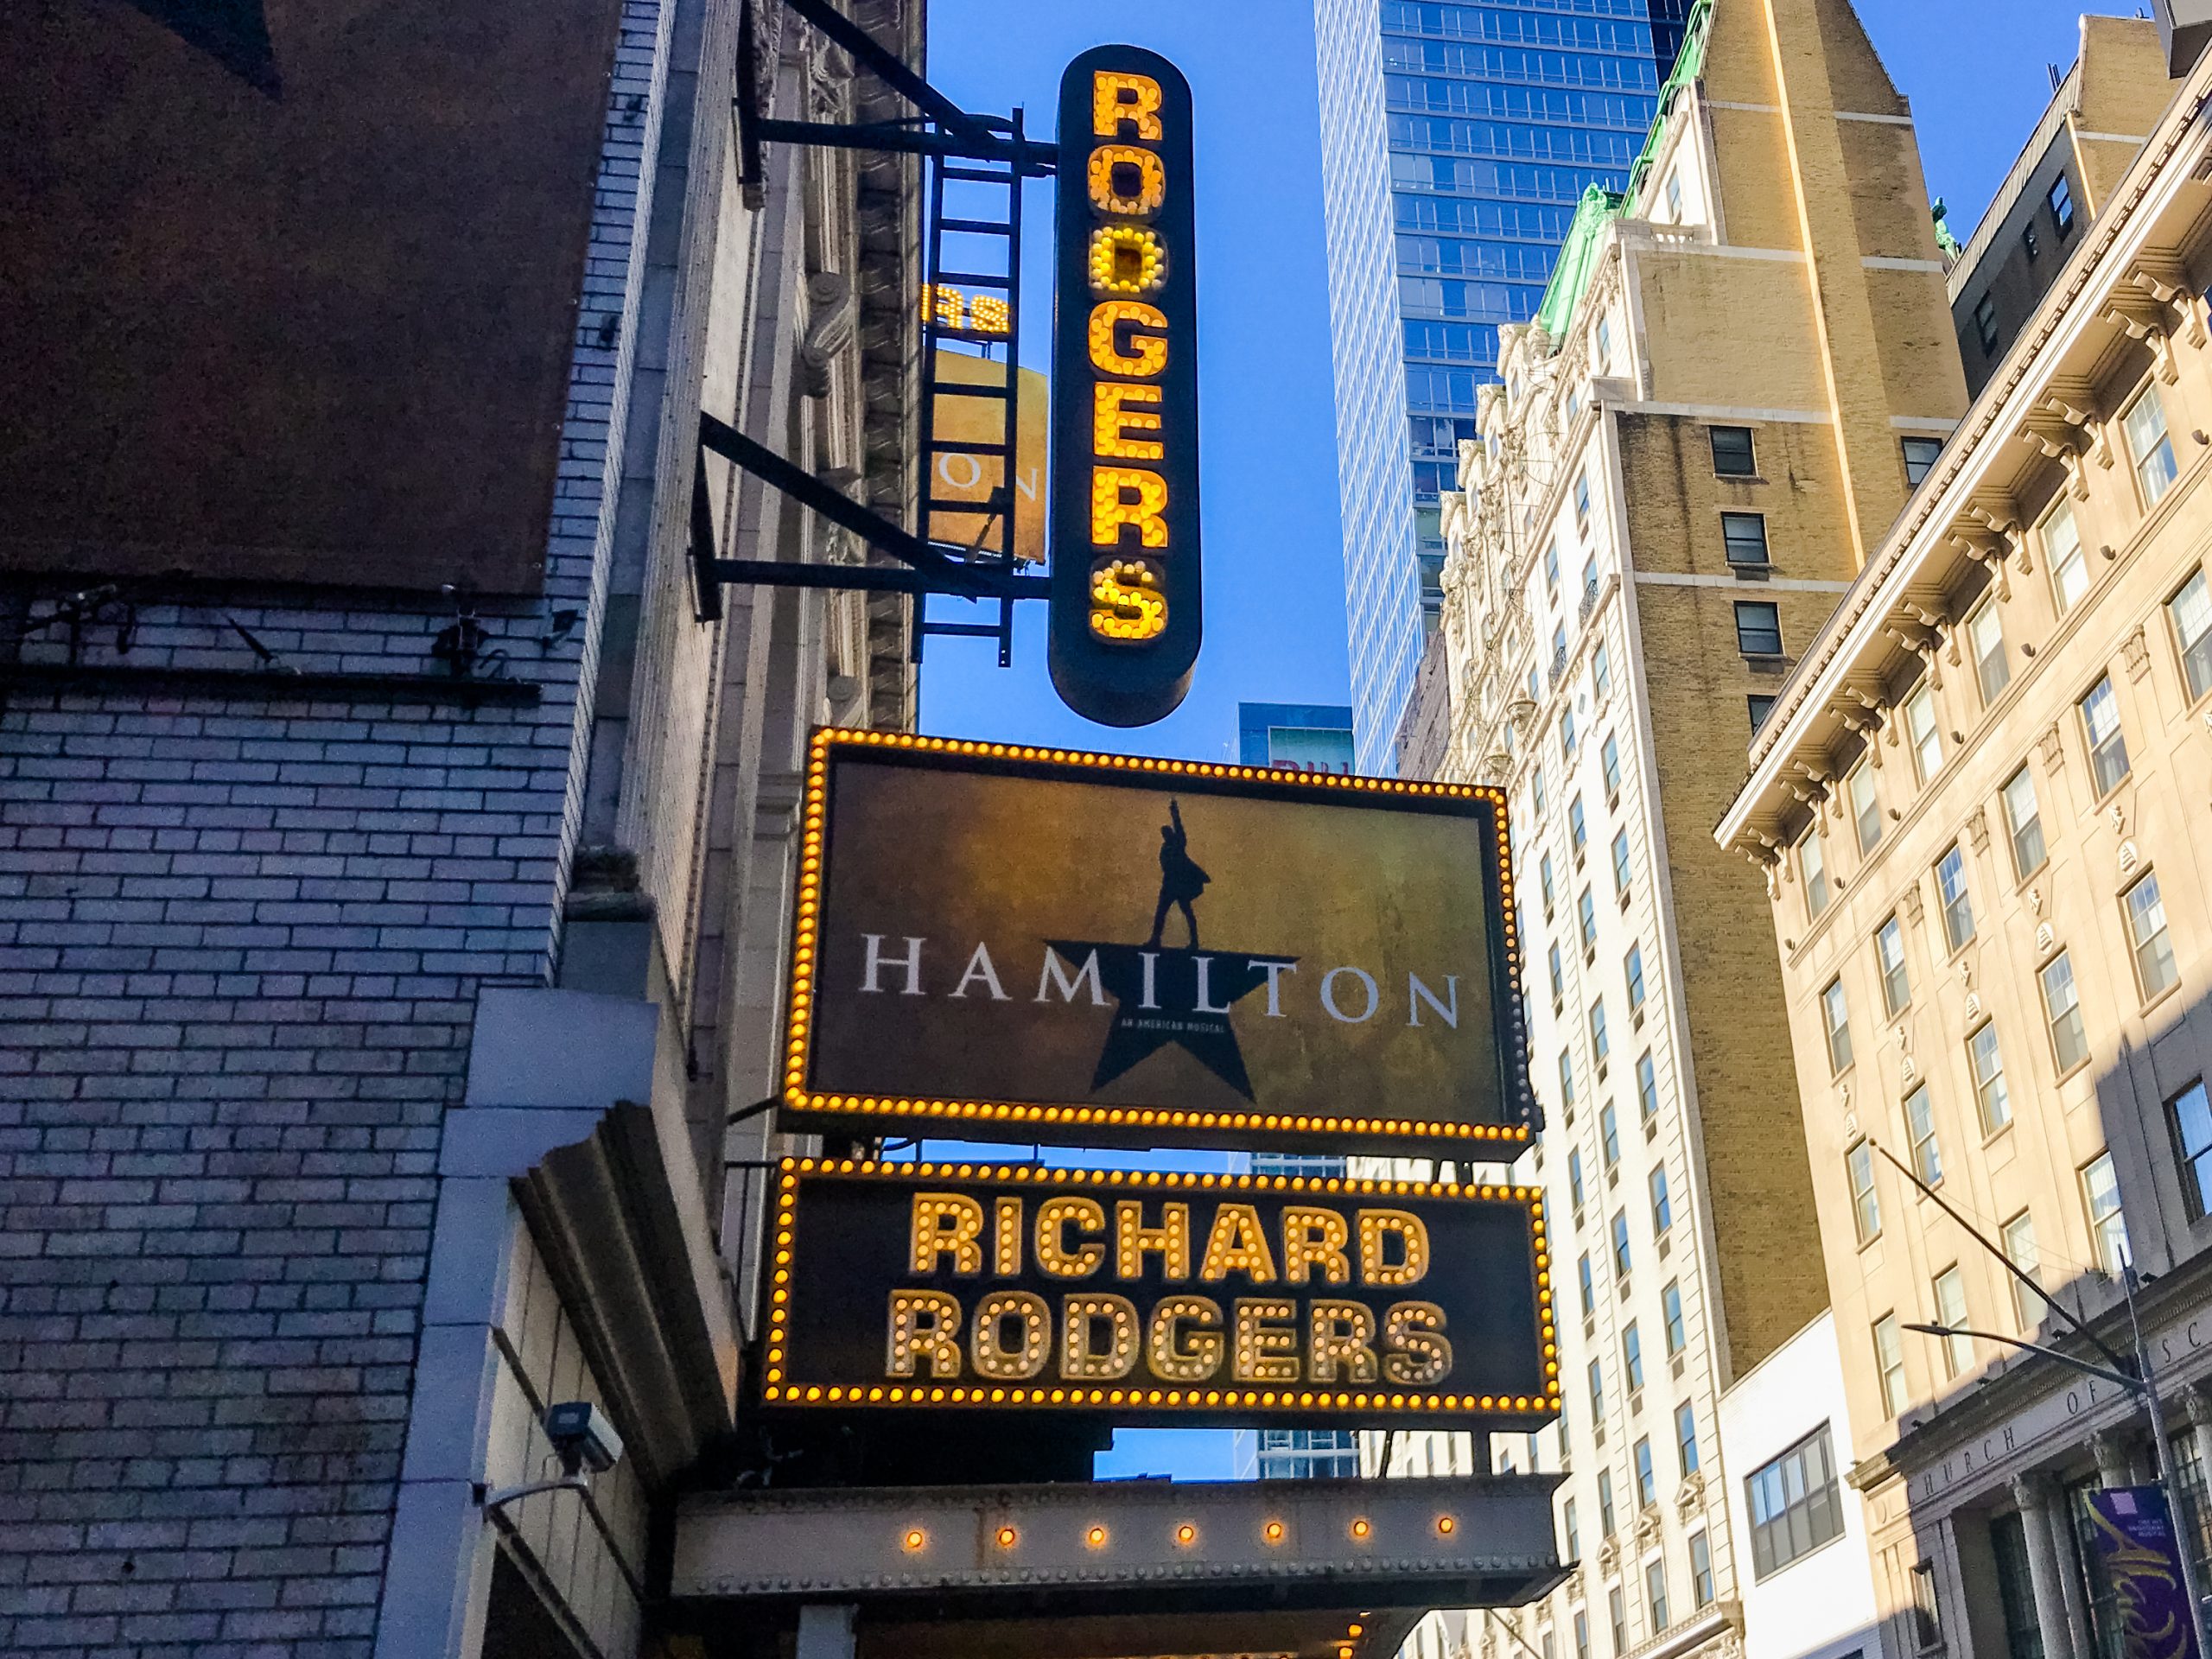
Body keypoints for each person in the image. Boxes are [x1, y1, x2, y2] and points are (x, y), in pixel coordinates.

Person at [1147, 799, 1209, 949]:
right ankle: (1155, 940)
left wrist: (1174, 812)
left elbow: (1178, 825)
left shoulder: (1178, 842)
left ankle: (1194, 941)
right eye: (1164, 833)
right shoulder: (1165, 848)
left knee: (1187, 912)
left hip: (1180, 884)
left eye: (1167, 832)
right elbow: (1165, 865)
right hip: (1169, 884)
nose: (1165, 834)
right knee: (1161, 913)